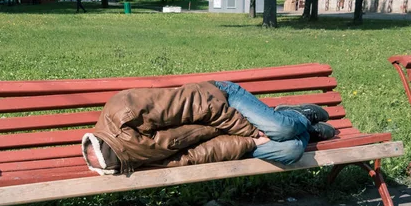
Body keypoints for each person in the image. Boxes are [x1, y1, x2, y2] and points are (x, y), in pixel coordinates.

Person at [82, 81, 334, 175]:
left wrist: (249, 132)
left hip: (222, 100)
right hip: (226, 136)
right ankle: (307, 130)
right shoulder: (133, 161)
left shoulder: (123, 110)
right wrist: (247, 144)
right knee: (289, 151)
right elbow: (194, 156)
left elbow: (198, 103)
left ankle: (294, 116)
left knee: (281, 129)